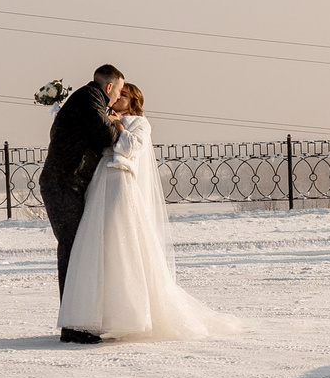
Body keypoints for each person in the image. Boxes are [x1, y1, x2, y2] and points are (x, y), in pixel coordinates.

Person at [56, 83, 240, 342]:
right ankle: (95, 318)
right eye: (118, 93)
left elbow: (131, 148)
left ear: (133, 102)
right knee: (97, 248)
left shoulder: (140, 123)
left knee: (123, 243)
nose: (118, 97)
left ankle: (129, 315)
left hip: (120, 182)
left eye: (124, 95)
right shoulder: (103, 116)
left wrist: (118, 126)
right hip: (99, 184)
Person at [42, 65, 123, 342]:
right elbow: (107, 137)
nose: (117, 99)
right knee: (72, 251)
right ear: (109, 87)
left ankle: (76, 322)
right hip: (62, 185)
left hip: (68, 184)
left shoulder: (89, 100)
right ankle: (73, 326)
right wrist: (117, 124)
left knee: (76, 250)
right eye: (119, 91)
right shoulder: (90, 98)